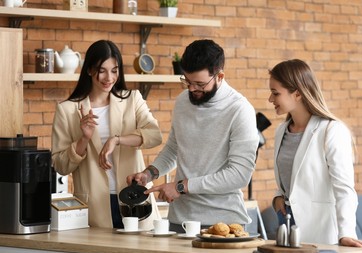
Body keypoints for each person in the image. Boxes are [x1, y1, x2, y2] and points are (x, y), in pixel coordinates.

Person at [126, 39, 259, 233]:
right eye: (186, 81)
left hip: (223, 223)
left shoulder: (239, 110)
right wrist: (148, 174)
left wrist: (181, 187)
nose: (191, 89)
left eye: (199, 84)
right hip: (179, 221)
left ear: (220, 76)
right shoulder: (182, 102)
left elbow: (239, 175)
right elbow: (174, 149)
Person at [51, 40, 163, 230]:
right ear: (89, 70)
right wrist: (83, 139)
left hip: (135, 199)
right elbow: (60, 166)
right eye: (101, 70)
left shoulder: (132, 99)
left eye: (114, 70)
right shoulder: (67, 110)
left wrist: (117, 140)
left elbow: (154, 135)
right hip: (94, 206)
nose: (108, 77)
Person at [268, 59, 362, 247]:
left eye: (275, 93)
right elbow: (294, 177)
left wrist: (346, 233)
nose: (270, 99)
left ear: (297, 93)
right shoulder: (281, 131)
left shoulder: (332, 130)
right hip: (288, 229)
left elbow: (344, 188)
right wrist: (278, 196)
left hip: (324, 234)